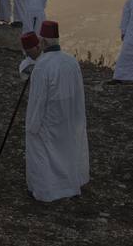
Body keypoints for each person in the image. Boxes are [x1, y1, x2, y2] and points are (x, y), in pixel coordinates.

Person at [21, 22, 89, 201]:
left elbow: (37, 101)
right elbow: (79, 94)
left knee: (43, 152)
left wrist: (32, 126)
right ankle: (69, 186)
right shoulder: (71, 61)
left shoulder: (42, 66)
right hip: (68, 118)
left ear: (43, 42)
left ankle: (46, 190)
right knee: (66, 151)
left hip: (48, 121)